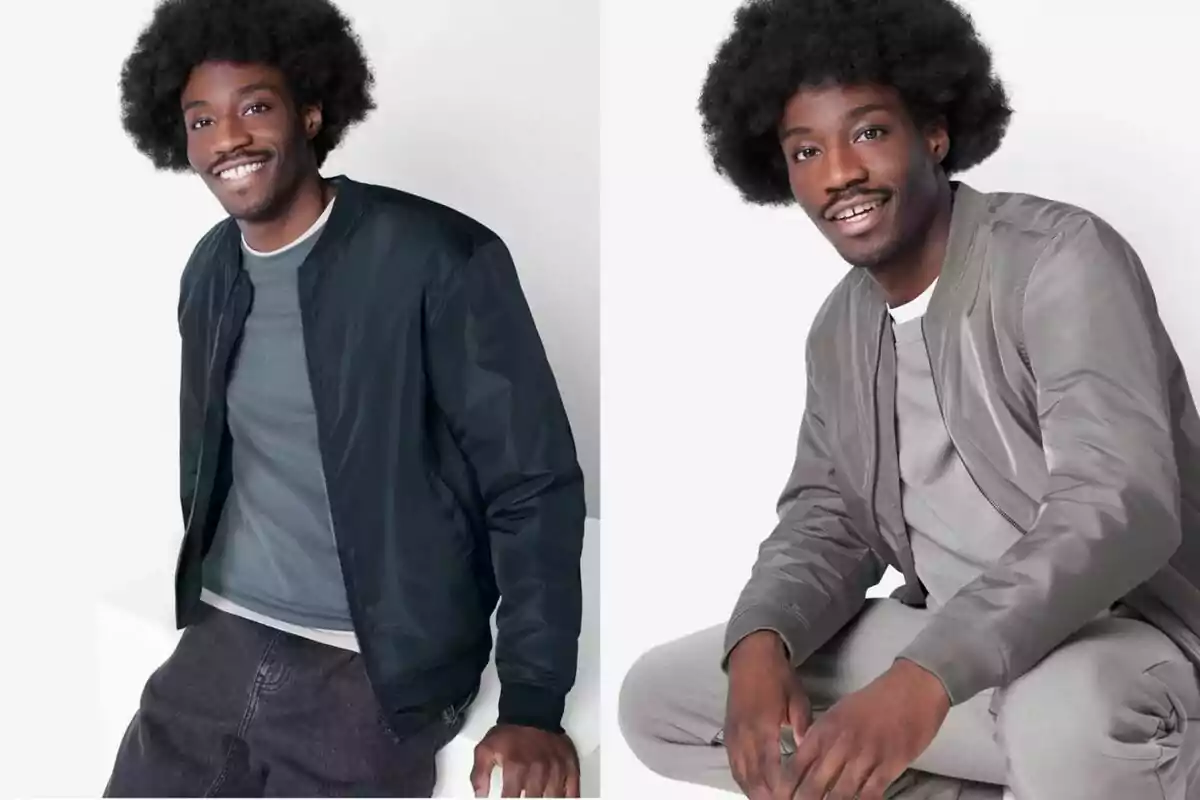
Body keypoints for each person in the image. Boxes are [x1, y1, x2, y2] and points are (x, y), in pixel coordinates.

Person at [618, 0, 1200, 798]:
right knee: (664, 699)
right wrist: (762, 642)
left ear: (933, 131)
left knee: (1063, 717)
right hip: (948, 655)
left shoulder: (1059, 259)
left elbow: (1119, 503)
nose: (839, 173)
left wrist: (922, 679)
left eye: (868, 132)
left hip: (1115, 648)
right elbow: (827, 518)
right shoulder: (841, 328)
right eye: (805, 150)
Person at [104, 0, 586, 796]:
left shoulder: (439, 258)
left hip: (379, 659)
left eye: (254, 106)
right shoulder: (210, 273)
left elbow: (531, 482)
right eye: (201, 120)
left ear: (312, 111)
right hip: (224, 628)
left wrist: (533, 700)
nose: (227, 139)